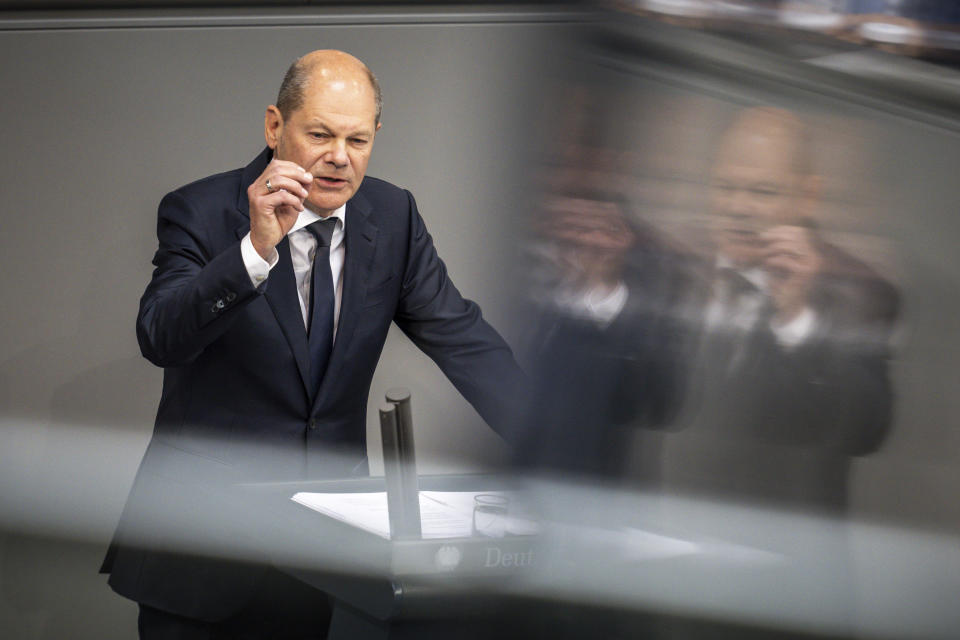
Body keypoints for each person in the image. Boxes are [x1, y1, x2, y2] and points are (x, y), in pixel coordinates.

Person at [101, 49, 526, 639]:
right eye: (320, 134)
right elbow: (161, 337)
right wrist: (253, 250)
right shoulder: (199, 209)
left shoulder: (393, 214)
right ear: (275, 126)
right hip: (202, 554)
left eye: (357, 140)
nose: (338, 159)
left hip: (326, 559)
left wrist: (551, 449)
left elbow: (462, 337)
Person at [667, 106, 899, 515]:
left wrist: (797, 316)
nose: (738, 207)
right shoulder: (673, 264)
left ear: (807, 196)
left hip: (783, 539)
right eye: (725, 187)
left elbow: (866, 430)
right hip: (662, 526)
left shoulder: (858, 292)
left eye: (762, 191)